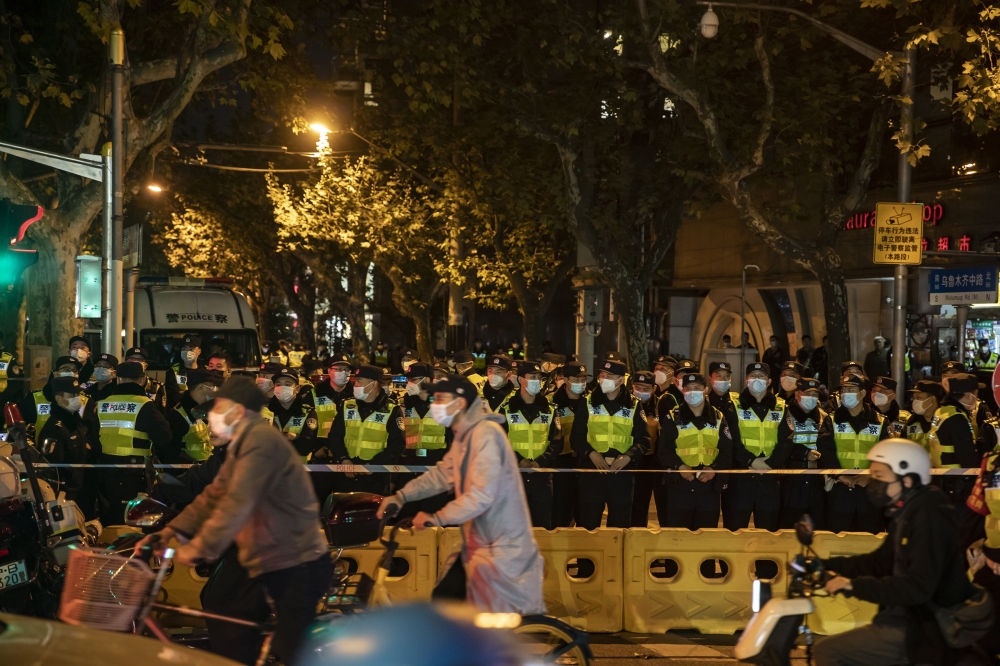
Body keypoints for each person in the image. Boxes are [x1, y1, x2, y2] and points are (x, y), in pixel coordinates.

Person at [137, 376, 332, 666]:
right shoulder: (239, 447)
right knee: (221, 605)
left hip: (290, 558)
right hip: (262, 552)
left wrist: (200, 546)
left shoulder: (261, 445)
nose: (211, 419)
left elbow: (238, 503)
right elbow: (212, 495)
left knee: (242, 620)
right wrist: (171, 532)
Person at [376, 376, 545, 614]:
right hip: (481, 542)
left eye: (441, 398)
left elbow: (482, 495)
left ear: (461, 404)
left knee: (453, 606)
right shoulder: (467, 435)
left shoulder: (485, 435)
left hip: (500, 545)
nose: (434, 403)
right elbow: (443, 474)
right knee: (447, 603)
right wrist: (402, 497)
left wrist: (436, 518)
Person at [813, 439, 978, 666]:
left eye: (880, 476)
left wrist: (851, 586)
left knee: (828, 650)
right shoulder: (906, 512)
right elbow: (881, 562)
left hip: (925, 627)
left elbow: (917, 588)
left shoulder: (928, 518)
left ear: (907, 479)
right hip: (907, 617)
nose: (873, 483)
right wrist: (826, 565)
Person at [90, 361, 173, 527]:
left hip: (105, 469)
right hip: (135, 472)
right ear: (142, 380)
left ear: (118, 379)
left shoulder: (103, 404)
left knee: (110, 517)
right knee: (134, 518)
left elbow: (92, 437)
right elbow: (165, 437)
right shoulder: (145, 405)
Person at [571, 359, 649, 529]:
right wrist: (591, 454)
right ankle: (587, 557)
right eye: (603, 374)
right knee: (588, 527)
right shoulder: (588, 402)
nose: (604, 378)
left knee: (619, 529)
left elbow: (644, 440)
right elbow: (576, 437)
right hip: (592, 472)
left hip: (621, 474)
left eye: (610, 375)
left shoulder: (634, 405)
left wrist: (628, 457)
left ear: (621, 380)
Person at [659, 372, 734, 529]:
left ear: (705, 390)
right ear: (683, 391)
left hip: (708, 487)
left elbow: (727, 451)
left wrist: (713, 469)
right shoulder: (672, 417)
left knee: (706, 538)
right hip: (680, 485)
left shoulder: (718, 417)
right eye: (688, 388)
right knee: (677, 538)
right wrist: (679, 467)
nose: (693, 392)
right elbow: (664, 451)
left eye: (697, 388)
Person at [496, 360, 562, 529]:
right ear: (521, 380)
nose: (537, 381)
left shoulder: (550, 409)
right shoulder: (507, 408)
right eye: (532, 377)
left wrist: (540, 461)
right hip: (514, 475)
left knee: (542, 527)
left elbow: (557, 442)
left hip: (541, 475)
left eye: (539, 377)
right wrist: (518, 459)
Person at [819, 374, 889, 534]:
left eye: (851, 389)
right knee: (837, 539)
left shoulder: (880, 420)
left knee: (869, 538)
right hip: (840, 487)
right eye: (843, 390)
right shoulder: (831, 419)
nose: (845, 394)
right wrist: (839, 475)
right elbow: (825, 450)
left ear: (863, 393)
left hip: (870, 488)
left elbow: (887, 452)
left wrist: (870, 475)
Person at [723, 362, 784, 532]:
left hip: (769, 476)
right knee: (735, 530)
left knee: (768, 534)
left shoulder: (781, 406)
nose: (757, 380)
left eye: (761, 376)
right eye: (753, 376)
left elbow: (786, 440)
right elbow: (731, 439)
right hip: (742, 476)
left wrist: (770, 462)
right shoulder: (733, 405)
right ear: (746, 380)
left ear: (769, 381)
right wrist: (750, 460)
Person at [327, 364, 405, 496]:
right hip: (347, 475)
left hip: (376, 478)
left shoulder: (392, 410)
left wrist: (374, 465)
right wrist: (343, 459)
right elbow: (334, 436)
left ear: (373, 384)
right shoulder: (347, 406)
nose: (355, 385)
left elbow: (398, 445)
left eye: (359, 381)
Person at [770, 377, 835, 529]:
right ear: (797, 394)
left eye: (815, 395)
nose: (811, 398)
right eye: (807, 394)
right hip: (790, 477)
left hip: (816, 479)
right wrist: (804, 453)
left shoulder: (824, 416)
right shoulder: (784, 415)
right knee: (788, 525)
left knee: (818, 526)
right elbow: (778, 443)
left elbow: (828, 444)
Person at [398, 362, 453, 517]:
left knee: (432, 516)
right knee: (407, 517)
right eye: (409, 380)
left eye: (415, 379)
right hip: (410, 468)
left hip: (436, 468)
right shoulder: (405, 405)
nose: (410, 384)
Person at [37, 377, 93, 519]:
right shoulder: (55, 428)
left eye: (78, 394)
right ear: (59, 399)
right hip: (66, 497)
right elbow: (52, 468)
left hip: (81, 493)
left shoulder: (74, 422)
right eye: (72, 395)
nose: (77, 398)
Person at [927, 372, 981, 507]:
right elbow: (966, 456)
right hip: (957, 484)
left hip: (942, 480)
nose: (977, 398)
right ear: (969, 395)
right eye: (976, 393)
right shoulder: (957, 418)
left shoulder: (942, 411)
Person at [551, 362, 588, 528]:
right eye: (576, 378)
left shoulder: (591, 402)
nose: (581, 382)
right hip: (561, 464)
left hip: (586, 461)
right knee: (561, 515)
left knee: (586, 517)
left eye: (584, 378)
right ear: (565, 379)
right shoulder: (552, 403)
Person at [630, 370, 666, 528]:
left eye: (646, 389)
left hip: (652, 462)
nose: (641, 392)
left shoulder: (660, 406)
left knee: (652, 505)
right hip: (630, 460)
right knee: (631, 505)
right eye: (638, 387)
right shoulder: (626, 404)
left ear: (654, 389)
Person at [166, 368, 225, 463]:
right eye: (213, 387)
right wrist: (194, 466)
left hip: (208, 473)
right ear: (201, 387)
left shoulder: (210, 412)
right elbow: (171, 452)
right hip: (187, 474)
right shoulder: (177, 416)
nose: (216, 390)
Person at [18, 356, 82, 436]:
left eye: (75, 370)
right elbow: (17, 430)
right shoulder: (35, 399)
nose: (72, 373)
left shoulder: (84, 400)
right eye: (66, 369)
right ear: (55, 373)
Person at [266, 368, 320, 464]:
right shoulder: (266, 411)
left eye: (287, 384)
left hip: (298, 472)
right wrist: (291, 437)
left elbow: (306, 447)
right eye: (278, 384)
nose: (282, 388)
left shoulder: (307, 413)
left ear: (297, 389)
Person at [904, 380, 943, 453]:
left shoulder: (946, 422)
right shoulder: (911, 423)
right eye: (914, 398)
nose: (915, 402)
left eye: (918, 398)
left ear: (932, 399)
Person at [171, 335, 204, 401]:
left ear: (199, 351)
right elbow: (173, 398)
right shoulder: (173, 371)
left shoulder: (205, 371)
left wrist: (183, 393)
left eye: (191, 349)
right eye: (184, 348)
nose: (187, 352)